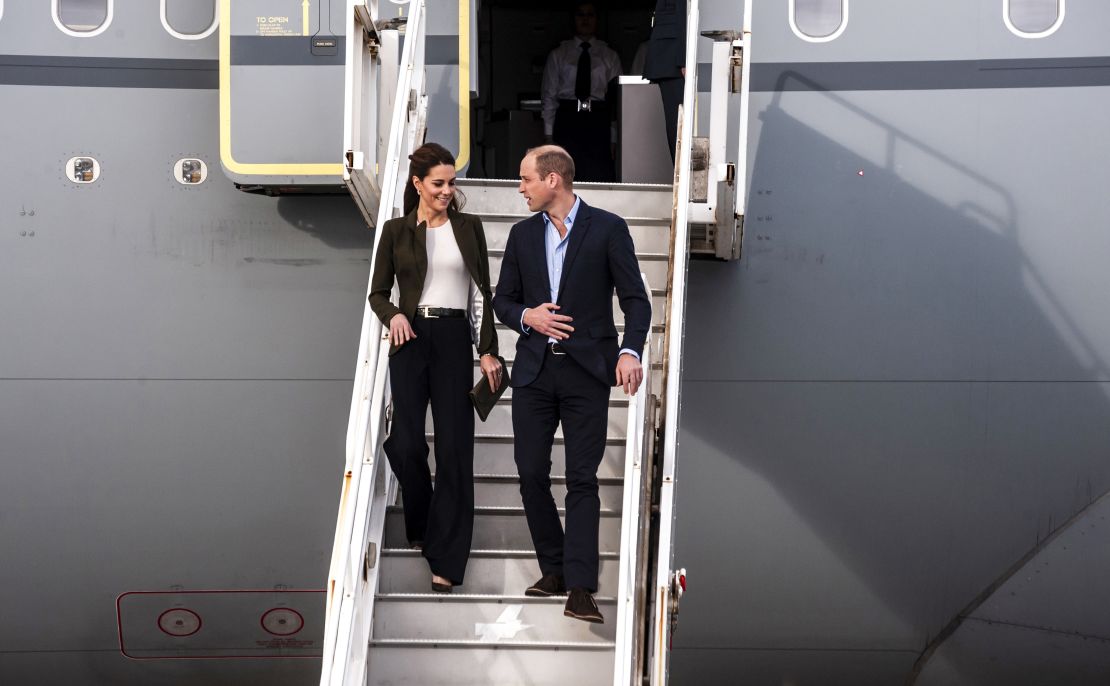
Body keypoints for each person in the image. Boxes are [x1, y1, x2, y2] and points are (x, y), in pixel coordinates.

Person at [493, 145, 652, 623]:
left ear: (553, 180)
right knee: (529, 473)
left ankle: (580, 587)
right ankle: (554, 568)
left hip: (587, 373)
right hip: (534, 374)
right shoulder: (522, 236)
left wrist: (630, 351)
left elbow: (636, 302)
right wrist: (528, 316)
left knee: (581, 479)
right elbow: (503, 301)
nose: (520, 188)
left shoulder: (608, 228)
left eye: (525, 179)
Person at [368, 142, 502, 594]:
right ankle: (423, 522)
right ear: (418, 184)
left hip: (452, 339)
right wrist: (395, 316)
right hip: (409, 340)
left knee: (454, 449)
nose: (447, 191)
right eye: (439, 183)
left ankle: (446, 559)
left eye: (451, 183)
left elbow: (482, 291)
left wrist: (486, 350)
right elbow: (377, 293)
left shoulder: (470, 228)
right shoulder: (395, 231)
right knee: (405, 444)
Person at [540, 2, 623, 183]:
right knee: (564, 174)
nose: (585, 19)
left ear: (597, 19)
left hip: (598, 118)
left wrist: (615, 137)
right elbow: (549, 95)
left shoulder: (609, 55)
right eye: (580, 15)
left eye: (590, 15)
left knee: (599, 174)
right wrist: (548, 135)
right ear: (573, 19)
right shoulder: (559, 54)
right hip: (568, 117)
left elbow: (617, 102)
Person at [642, 0, 686, 162]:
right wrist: (684, 58)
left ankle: (681, 177)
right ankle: (681, 178)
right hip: (673, 55)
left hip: (672, 51)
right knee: (679, 124)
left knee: (680, 124)